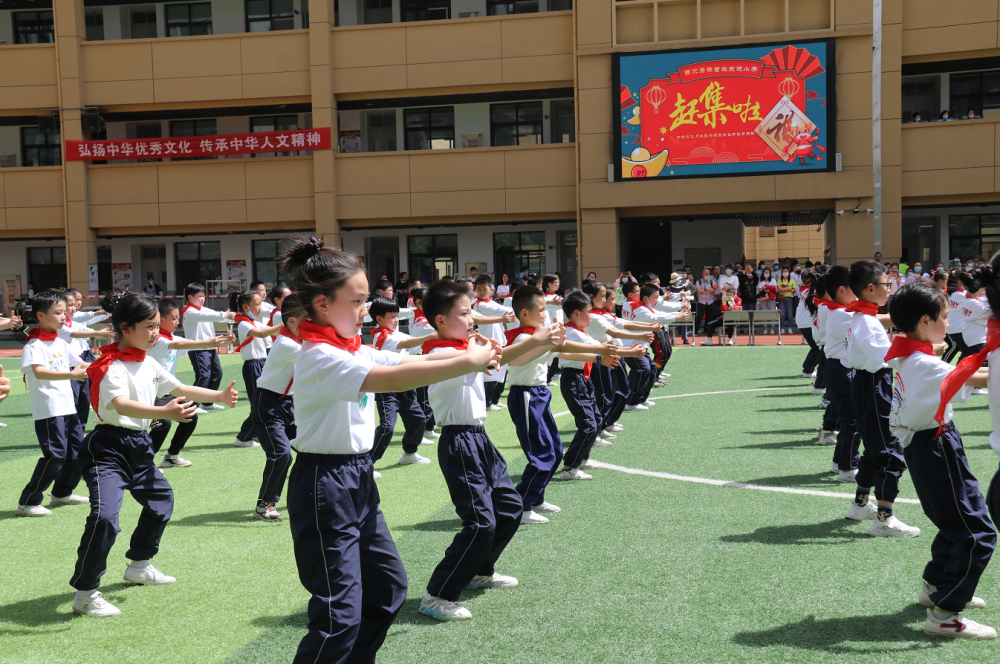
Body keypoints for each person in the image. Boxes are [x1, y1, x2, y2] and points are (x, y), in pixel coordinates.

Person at [274, 237, 498, 649]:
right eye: (358, 301)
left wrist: (469, 353)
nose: (366, 311)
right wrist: (471, 360)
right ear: (323, 304)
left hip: (356, 478)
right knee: (338, 614)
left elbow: (415, 361)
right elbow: (393, 380)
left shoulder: (352, 348)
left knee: (387, 591)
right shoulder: (320, 356)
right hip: (325, 483)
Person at [70, 291, 239, 617]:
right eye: (149, 327)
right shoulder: (110, 366)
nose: (156, 334)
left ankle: (139, 564)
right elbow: (121, 405)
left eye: (157, 326)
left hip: (138, 447)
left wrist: (219, 394)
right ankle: (85, 592)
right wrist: (166, 412)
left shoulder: (147, 362)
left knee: (161, 501)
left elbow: (181, 389)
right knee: (105, 518)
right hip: (107, 449)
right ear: (126, 328)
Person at [886, 281, 996, 639]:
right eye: (945, 318)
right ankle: (946, 614)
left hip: (929, 444)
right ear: (925, 321)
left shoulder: (909, 355)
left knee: (957, 520)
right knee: (977, 533)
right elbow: (975, 377)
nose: (950, 324)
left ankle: (936, 587)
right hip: (935, 446)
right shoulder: (922, 362)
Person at [505, 285, 616, 519]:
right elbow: (561, 347)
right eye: (542, 310)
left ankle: (535, 499)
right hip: (526, 396)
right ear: (525, 314)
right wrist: (597, 350)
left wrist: (598, 357)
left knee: (554, 451)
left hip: (538, 395)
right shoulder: (525, 338)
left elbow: (563, 352)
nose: (545, 314)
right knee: (541, 454)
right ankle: (522, 506)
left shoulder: (533, 338)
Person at [844, 260, 920, 537]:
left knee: (875, 448)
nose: (890, 289)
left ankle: (861, 503)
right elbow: (884, 358)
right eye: (886, 284)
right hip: (875, 384)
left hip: (868, 383)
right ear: (870, 288)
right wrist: (921, 349)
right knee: (890, 452)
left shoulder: (864, 317)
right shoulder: (866, 321)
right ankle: (884, 519)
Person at [16, 290, 92, 518]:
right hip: (49, 409)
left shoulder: (60, 342)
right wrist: (72, 375)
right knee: (55, 455)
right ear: (40, 315)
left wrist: (110, 364)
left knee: (78, 451)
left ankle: (61, 493)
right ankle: (28, 501)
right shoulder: (34, 345)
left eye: (64, 312)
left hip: (67, 407)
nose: (63, 316)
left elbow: (81, 365)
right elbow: (39, 372)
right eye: (58, 312)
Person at [148, 299, 234, 469]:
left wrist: (218, 343)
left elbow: (188, 345)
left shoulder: (171, 337)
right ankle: (144, 465)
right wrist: (208, 343)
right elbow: (178, 344)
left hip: (168, 391)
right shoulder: (156, 340)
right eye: (173, 318)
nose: (177, 321)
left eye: (177, 317)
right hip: (150, 393)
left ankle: (171, 456)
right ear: (161, 320)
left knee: (190, 416)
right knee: (163, 424)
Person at [251, 294, 306, 521]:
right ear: (292, 322)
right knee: (281, 454)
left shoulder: (296, 340)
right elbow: (321, 355)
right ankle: (264, 505)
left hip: (287, 403)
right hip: (268, 404)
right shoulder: (286, 344)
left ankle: (307, 496)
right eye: (308, 319)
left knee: (308, 449)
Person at [558, 291, 621, 477]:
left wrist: (604, 357)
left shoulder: (578, 331)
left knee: (595, 419)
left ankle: (582, 459)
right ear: (576, 313)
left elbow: (600, 352)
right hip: (574, 379)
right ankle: (569, 467)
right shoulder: (572, 333)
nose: (591, 315)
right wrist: (631, 352)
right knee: (588, 424)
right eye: (588, 311)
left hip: (581, 379)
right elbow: (602, 350)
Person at [582, 281, 655, 438]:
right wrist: (641, 335)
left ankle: (606, 423)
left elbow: (624, 324)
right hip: (603, 358)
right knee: (606, 394)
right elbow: (616, 332)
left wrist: (646, 329)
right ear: (591, 297)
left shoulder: (601, 315)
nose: (611, 301)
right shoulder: (594, 317)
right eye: (604, 297)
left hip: (613, 355)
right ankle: (600, 428)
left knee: (618, 391)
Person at [369, 296, 436, 467]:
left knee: (418, 420)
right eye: (392, 316)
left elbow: (413, 345)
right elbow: (408, 342)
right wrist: (431, 335)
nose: (396, 319)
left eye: (397, 315)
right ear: (379, 319)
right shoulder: (381, 336)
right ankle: (367, 464)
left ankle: (409, 453)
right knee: (387, 427)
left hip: (406, 386)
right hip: (387, 387)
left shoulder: (398, 334)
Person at [820, 266, 861, 480]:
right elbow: (873, 322)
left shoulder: (839, 311)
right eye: (856, 287)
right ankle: (848, 467)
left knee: (848, 420)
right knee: (853, 421)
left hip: (838, 368)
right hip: (840, 369)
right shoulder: (841, 313)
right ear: (842, 290)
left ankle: (839, 463)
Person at [230, 290, 283, 447]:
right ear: (246, 307)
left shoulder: (252, 322)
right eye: (258, 304)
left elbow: (270, 329)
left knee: (262, 402)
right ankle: (243, 437)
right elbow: (261, 333)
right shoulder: (244, 324)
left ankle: (253, 434)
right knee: (258, 403)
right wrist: (283, 324)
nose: (260, 307)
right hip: (253, 365)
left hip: (261, 364)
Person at [181, 283, 235, 409]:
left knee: (217, 374)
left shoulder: (204, 310)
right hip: (198, 349)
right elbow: (209, 316)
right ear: (189, 297)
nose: (202, 298)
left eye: (203, 296)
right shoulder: (188, 311)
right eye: (199, 296)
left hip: (210, 348)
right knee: (203, 376)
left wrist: (233, 316)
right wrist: (225, 315)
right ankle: (192, 405)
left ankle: (207, 403)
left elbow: (218, 316)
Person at [473, 275, 515, 409]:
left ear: (491, 289)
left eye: (484, 288)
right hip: (487, 343)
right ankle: (488, 402)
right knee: (491, 374)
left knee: (501, 372)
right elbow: (501, 311)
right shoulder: (477, 304)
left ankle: (495, 399)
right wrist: (514, 310)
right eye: (478, 289)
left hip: (500, 340)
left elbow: (502, 311)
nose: (481, 291)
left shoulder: (492, 302)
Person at [959, 269, 992, 377]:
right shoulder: (972, 302)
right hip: (976, 337)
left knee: (981, 361)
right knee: (982, 362)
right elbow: (990, 311)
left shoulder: (969, 299)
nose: (982, 290)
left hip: (974, 335)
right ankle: (976, 386)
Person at [797, 269, 820, 378]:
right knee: (817, 347)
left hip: (804, 321)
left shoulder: (807, 291)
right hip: (807, 322)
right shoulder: (813, 291)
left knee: (816, 346)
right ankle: (807, 370)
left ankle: (808, 369)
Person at [944, 269, 968, 363]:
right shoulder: (959, 295)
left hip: (954, 327)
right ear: (959, 281)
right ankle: (957, 372)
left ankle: (957, 371)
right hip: (957, 328)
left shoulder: (952, 292)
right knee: (967, 351)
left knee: (962, 349)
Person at [695, 268, 716, 337]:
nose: (708, 275)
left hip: (710, 301)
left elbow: (714, 290)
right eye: (706, 274)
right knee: (699, 316)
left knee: (709, 317)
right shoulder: (698, 282)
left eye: (709, 274)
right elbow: (699, 291)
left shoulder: (712, 281)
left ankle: (706, 331)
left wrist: (704, 289)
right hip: (701, 302)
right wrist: (708, 290)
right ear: (702, 275)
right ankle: (695, 331)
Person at [757, 267, 777, 333]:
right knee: (764, 313)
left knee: (772, 313)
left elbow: (775, 289)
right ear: (763, 273)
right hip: (763, 299)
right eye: (765, 272)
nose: (766, 273)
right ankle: (765, 329)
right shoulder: (761, 282)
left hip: (771, 299)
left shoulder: (773, 280)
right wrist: (770, 289)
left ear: (770, 273)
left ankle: (772, 329)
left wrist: (766, 289)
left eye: (768, 272)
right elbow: (760, 290)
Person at [777, 266, 796, 334]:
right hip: (781, 298)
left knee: (790, 314)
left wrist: (786, 289)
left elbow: (795, 290)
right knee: (782, 314)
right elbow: (779, 289)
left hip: (790, 298)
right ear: (782, 273)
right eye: (784, 271)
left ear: (789, 272)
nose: (785, 273)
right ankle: (782, 328)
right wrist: (789, 289)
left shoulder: (792, 280)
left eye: (786, 271)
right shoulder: (779, 280)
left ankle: (790, 328)